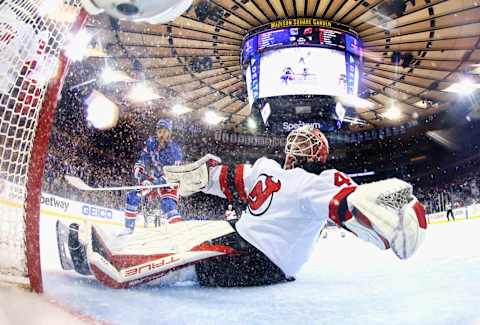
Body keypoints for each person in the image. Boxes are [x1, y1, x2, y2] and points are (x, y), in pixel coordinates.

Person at [57, 125, 427, 289]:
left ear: (316, 154)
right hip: (242, 241)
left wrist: (383, 207)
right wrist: (200, 175)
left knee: (196, 253)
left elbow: (344, 201)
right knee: (190, 230)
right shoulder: (268, 170)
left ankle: (114, 266)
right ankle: (116, 251)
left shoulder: (318, 182)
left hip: (264, 263)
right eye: (296, 141)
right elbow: (228, 178)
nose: (296, 148)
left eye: (304, 144)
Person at [120, 118, 183, 235]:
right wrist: (140, 172)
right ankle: (128, 229)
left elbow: (174, 173)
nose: (161, 134)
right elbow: (142, 159)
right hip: (154, 178)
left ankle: (179, 232)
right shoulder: (151, 143)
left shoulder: (175, 150)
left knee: (167, 205)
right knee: (132, 195)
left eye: (164, 131)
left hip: (170, 181)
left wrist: (156, 182)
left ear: (169, 132)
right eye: (159, 131)